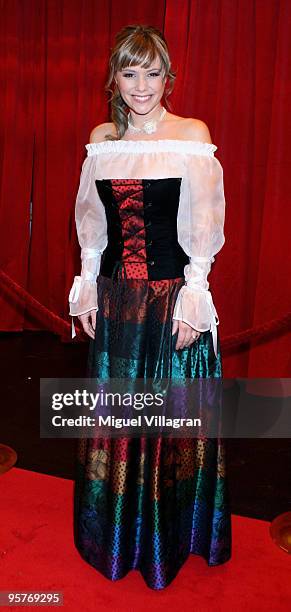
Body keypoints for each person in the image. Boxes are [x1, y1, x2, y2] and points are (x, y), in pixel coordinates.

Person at [68, 24, 231, 591]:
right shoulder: (102, 139)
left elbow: (203, 225)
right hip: (117, 303)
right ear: (114, 78)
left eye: (153, 72)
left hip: (170, 304)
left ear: (169, 77)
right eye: (130, 73)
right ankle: (115, 537)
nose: (142, 86)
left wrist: (195, 297)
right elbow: (92, 222)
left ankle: (170, 539)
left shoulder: (191, 135)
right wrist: (87, 285)